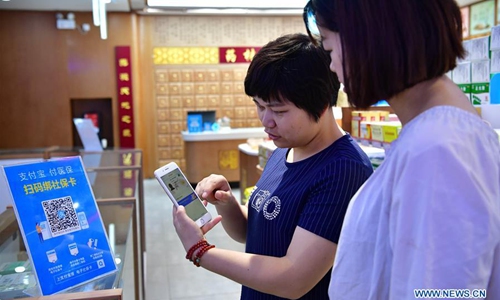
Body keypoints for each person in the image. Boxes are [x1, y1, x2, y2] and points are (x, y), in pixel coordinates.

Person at [303, 0, 500, 299]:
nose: (331, 67)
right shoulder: (436, 135)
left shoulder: (437, 149)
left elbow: (443, 292)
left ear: (368, 38)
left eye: (330, 50)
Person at [172, 33, 373, 299]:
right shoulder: (285, 149)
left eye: (279, 111)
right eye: (259, 105)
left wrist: (199, 251)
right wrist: (227, 203)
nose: (266, 121)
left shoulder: (343, 170)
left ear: (322, 105)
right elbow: (255, 231)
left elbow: (292, 278)